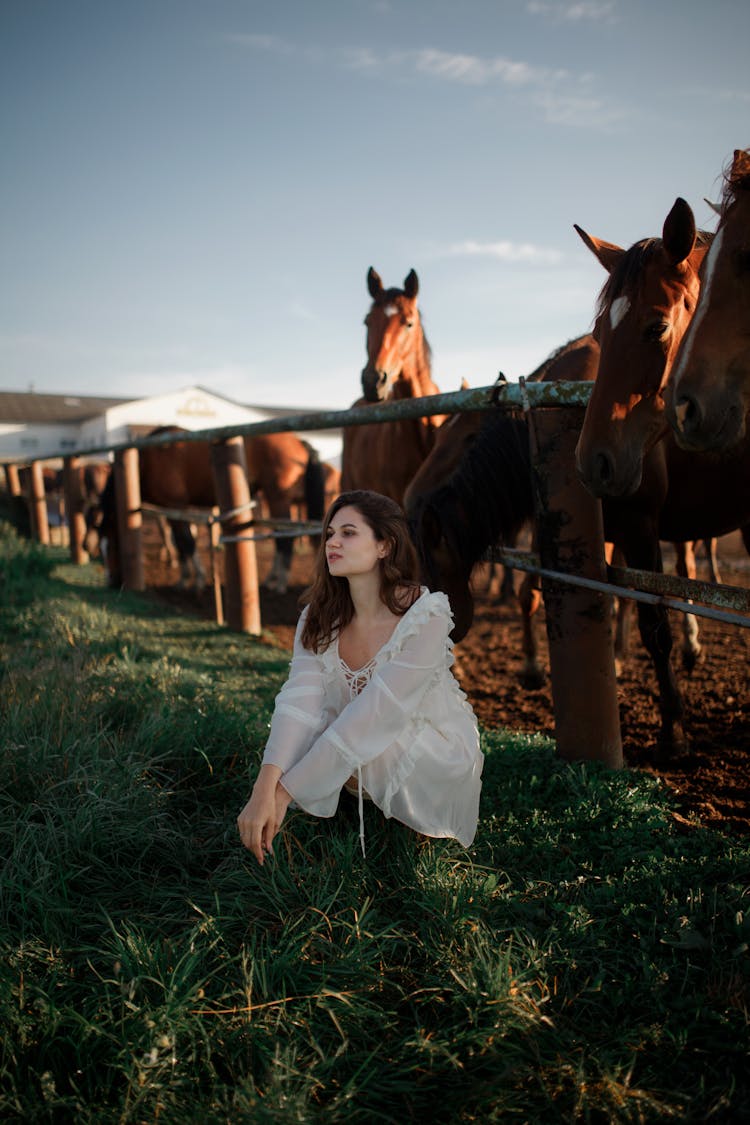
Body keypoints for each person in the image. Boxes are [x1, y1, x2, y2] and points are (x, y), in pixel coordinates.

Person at [237, 489, 483, 864]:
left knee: (375, 743)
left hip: (424, 742)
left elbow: (379, 714)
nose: (332, 542)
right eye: (329, 534)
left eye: (348, 533)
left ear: (385, 546)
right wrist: (263, 788)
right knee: (309, 726)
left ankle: (413, 826)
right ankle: (339, 790)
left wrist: (285, 793)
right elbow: (298, 703)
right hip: (354, 728)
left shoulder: (425, 613)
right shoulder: (318, 616)